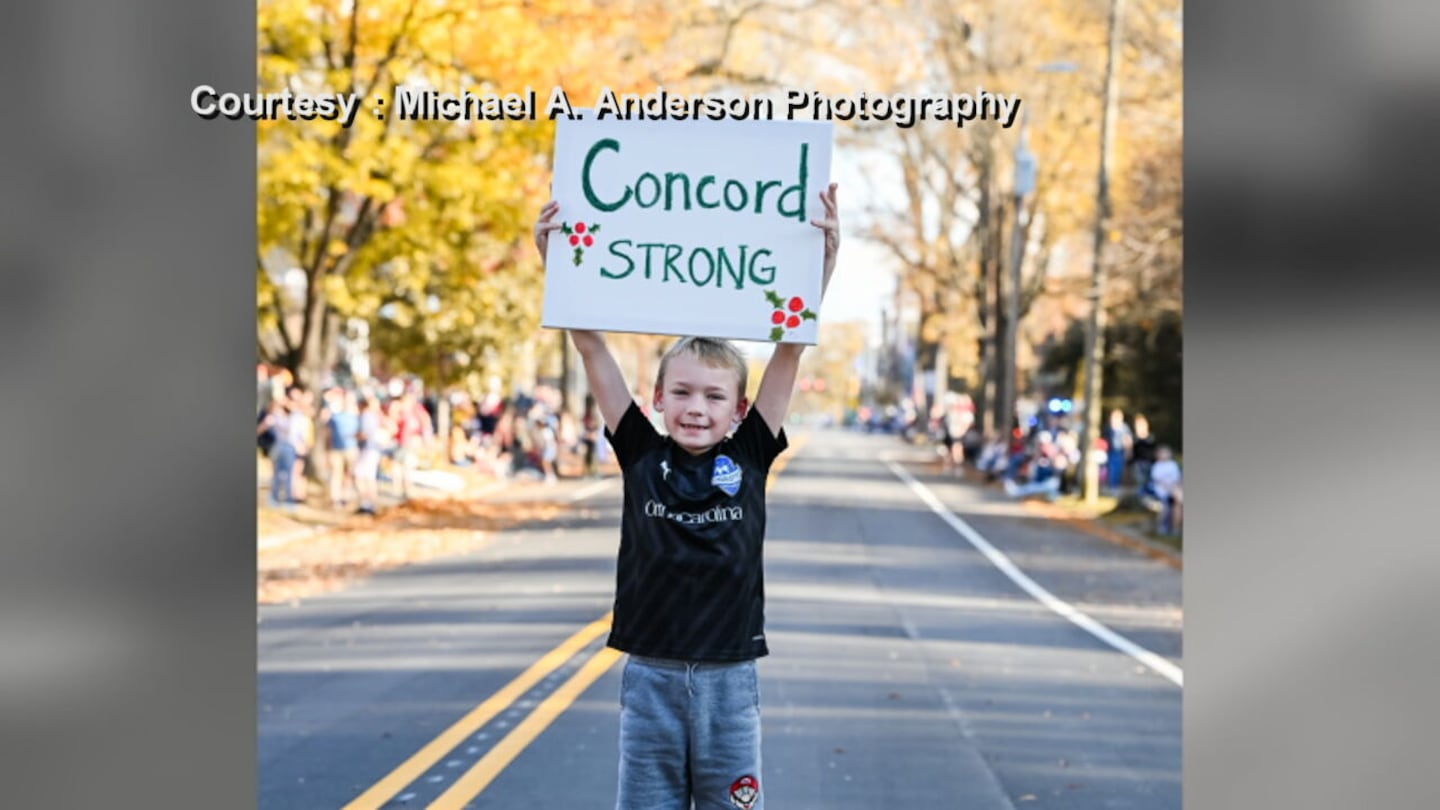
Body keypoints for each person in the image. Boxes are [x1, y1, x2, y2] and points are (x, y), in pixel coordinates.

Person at [534, 183, 840, 810]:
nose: (696, 407)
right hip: (651, 679)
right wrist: (559, 268)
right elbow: (592, 347)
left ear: (739, 409)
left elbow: (790, 347)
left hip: (731, 683)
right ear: (657, 398)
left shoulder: (750, 452)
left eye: (713, 396)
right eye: (681, 392)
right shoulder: (641, 453)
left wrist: (821, 265)